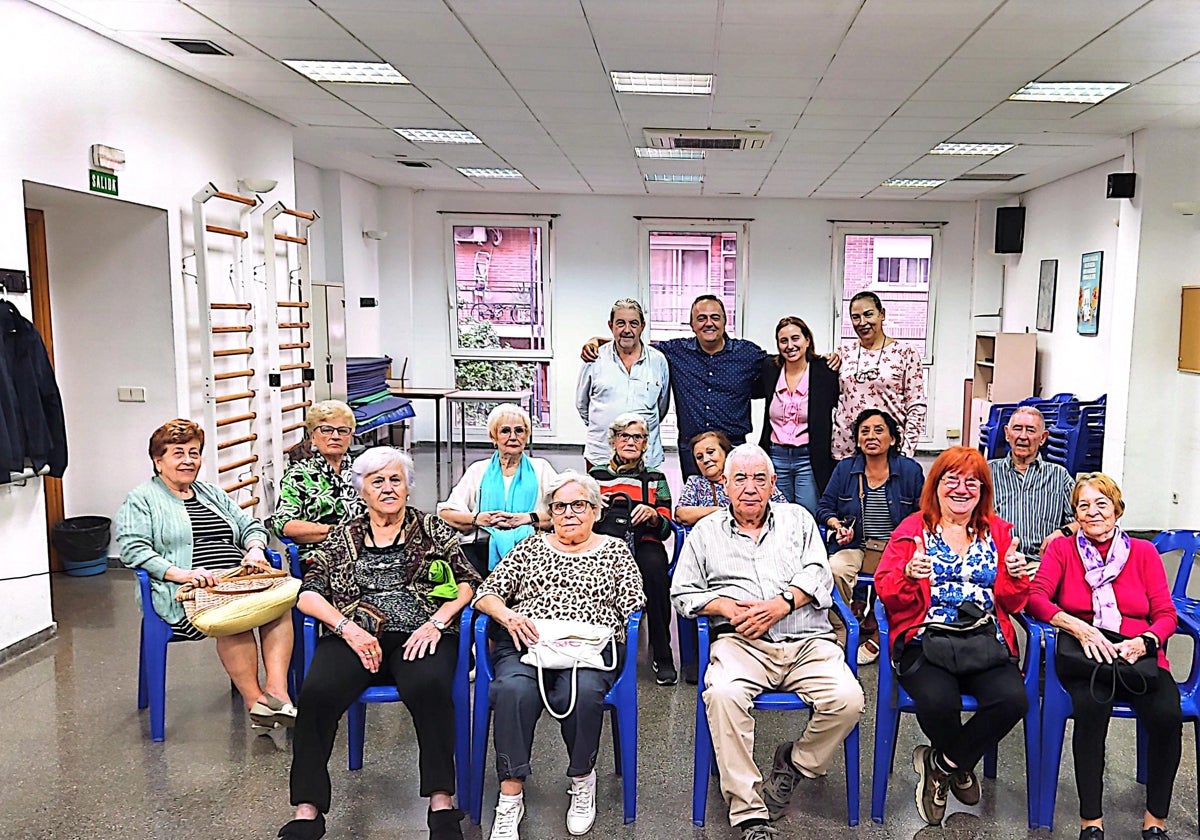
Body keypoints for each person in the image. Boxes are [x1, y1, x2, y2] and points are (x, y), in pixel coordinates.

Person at [279, 447, 480, 840]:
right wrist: (347, 629)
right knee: (317, 693)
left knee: (430, 687)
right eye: (378, 481)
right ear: (362, 491)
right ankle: (308, 808)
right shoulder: (344, 535)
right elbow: (308, 593)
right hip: (355, 634)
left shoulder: (433, 528)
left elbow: (467, 582)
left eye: (395, 480)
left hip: (421, 632)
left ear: (407, 487)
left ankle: (441, 803)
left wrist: (438, 622)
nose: (388, 488)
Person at [671, 444, 865, 840]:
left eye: (760, 478)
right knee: (723, 694)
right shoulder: (705, 533)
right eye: (739, 478)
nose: (750, 488)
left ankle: (794, 763)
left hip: (807, 638)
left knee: (849, 700)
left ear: (773, 484)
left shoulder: (798, 519)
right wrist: (723, 604)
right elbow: (682, 592)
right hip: (742, 643)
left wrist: (782, 604)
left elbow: (819, 573)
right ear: (724, 485)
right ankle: (748, 812)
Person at [473, 470, 645, 840]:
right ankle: (510, 795)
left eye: (578, 505)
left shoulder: (614, 550)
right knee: (512, 691)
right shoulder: (531, 547)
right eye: (560, 506)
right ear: (550, 512)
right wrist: (506, 614)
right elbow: (486, 593)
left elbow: (634, 605)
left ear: (595, 511)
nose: (568, 513)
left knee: (581, 693)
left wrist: (610, 629)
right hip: (527, 642)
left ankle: (582, 778)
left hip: (588, 649)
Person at [874, 446, 1029, 827]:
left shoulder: (999, 532)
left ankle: (942, 764)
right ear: (936, 485)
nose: (961, 489)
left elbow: (1013, 601)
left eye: (971, 481)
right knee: (938, 701)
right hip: (926, 639)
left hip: (982, 639)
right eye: (952, 480)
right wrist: (909, 575)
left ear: (982, 489)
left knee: (1013, 701)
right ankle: (961, 764)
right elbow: (885, 591)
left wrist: (1015, 574)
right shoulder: (912, 530)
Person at [1028, 473, 1181, 840]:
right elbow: (1036, 598)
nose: (1093, 512)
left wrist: (1145, 641)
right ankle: (1091, 821)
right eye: (1084, 505)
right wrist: (1078, 627)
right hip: (1087, 658)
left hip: (1136, 657)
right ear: (1075, 515)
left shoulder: (1143, 553)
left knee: (1167, 715)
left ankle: (1155, 819)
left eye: (1101, 504)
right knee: (1091, 712)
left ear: (1117, 509)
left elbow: (1165, 614)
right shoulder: (1062, 550)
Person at [116, 418, 296, 731]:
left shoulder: (210, 493)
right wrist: (181, 574)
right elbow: (134, 550)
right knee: (233, 617)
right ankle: (256, 703)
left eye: (194, 453)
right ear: (158, 460)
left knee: (279, 608)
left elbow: (250, 525)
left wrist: (254, 549)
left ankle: (277, 693)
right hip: (185, 594)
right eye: (178, 453)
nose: (188, 460)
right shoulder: (142, 498)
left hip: (236, 581)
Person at [582, 294, 767, 478]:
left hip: (732, 447)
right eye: (701, 318)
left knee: (736, 502)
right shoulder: (676, 352)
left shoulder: (748, 354)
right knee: (694, 502)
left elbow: (778, 368)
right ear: (692, 325)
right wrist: (597, 342)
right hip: (692, 450)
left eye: (715, 317)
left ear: (725, 321)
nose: (708, 323)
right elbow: (634, 344)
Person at [817, 408, 924, 664]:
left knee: (903, 577)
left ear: (893, 439)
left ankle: (880, 631)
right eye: (864, 431)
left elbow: (925, 513)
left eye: (879, 430)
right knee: (834, 569)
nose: (871, 436)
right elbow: (824, 507)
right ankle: (841, 626)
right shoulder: (845, 469)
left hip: (896, 548)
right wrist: (837, 525)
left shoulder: (909, 470)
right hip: (856, 545)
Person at [588, 413, 676, 685]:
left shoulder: (656, 478)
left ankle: (662, 654)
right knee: (593, 571)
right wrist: (594, 507)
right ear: (613, 440)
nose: (630, 441)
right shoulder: (595, 476)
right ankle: (597, 651)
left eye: (637, 437)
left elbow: (666, 527)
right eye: (624, 436)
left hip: (644, 542)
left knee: (655, 570)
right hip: (604, 546)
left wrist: (652, 515)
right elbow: (580, 519)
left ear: (645, 444)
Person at [437, 403, 556, 577]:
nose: (513, 437)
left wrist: (527, 518)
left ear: (527, 436)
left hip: (532, 548)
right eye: (505, 431)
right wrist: (478, 519)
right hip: (481, 547)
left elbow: (561, 511)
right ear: (494, 437)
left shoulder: (542, 468)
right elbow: (445, 513)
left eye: (519, 431)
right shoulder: (478, 470)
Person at [752, 315, 839, 515]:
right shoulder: (770, 369)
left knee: (807, 515)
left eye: (795, 338)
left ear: (807, 340)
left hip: (808, 458)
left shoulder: (824, 371)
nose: (790, 346)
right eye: (784, 341)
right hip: (775, 456)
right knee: (776, 515)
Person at [575, 298, 671, 470]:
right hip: (601, 455)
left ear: (642, 326)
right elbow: (582, 405)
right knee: (599, 498)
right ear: (611, 325)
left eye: (633, 323)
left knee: (644, 498)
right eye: (621, 323)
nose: (627, 330)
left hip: (646, 459)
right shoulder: (594, 358)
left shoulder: (658, 361)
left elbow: (661, 407)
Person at [268, 400, 365, 567]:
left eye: (342, 430)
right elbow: (284, 525)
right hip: (319, 555)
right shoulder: (299, 475)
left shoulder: (364, 471)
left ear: (350, 436)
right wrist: (336, 532)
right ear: (313, 436)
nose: (335, 436)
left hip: (366, 550)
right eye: (326, 430)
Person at [831, 291, 926, 460]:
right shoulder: (843, 353)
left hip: (888, 449)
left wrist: (907, 450)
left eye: (868, 314)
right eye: (856, 317)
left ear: (882, 314)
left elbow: (916, 405)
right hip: (846, 450)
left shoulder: (906, 353)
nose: (863, 323)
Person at [988, 406, 1078, 565]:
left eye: (1030, 430)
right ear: (1007, 433)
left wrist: (1063, 532)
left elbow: (1083, 519)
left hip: (1041, 563)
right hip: (995, 560)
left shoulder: (1059, 476)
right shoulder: (987, 472)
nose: (1023, 436)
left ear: (1043, 438)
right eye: (1017, 429)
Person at [675, 430, 789, 528]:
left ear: (725, 453)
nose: (705, 460)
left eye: (710, 452)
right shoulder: (695, 482)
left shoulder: (749, 477)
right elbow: (682, 514)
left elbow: (785, 510)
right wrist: (724, 512)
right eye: (699, 457)